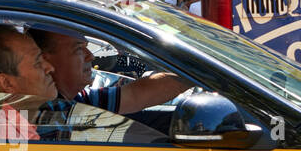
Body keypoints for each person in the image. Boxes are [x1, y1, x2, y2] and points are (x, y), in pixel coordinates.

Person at [26, 28, 188, 115]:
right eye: (78, 50)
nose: (90, 56)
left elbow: (136, 94)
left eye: (87, 48)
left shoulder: (79, 100)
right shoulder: (33, 115)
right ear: (45, 61)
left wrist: (195, 75)